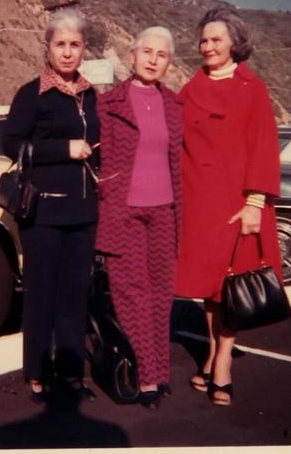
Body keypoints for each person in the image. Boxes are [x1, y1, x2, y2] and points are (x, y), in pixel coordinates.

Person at [175, 7, 282, 406]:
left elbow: (263, 145)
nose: (207, 46)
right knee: (209, 286)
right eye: (203, 40)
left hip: (241, 202)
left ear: (235, 44)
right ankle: (210, 351)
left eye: (216, 39)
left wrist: (255, 204)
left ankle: (223, 362)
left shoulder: (252, 88)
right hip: (201, 202)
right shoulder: (191, 87)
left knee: (232, 283)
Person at [2, 8, 99, 405]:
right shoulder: (31, 93)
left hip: (83, 212)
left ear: (84, 49)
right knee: (41, 293)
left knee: (76, 295)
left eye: (75, 45)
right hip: (43, 212)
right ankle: (37, 372)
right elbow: (11, 143)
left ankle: (72, 373)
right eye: (60, 44)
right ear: (47, 49)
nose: (67, 52)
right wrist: (64, 149)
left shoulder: (92, 95)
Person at [95, 26, 183, 409]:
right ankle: (146, 378)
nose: (152, 59)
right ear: (131, 56)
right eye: (146, 51)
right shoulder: (108, 103)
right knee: (131, 295)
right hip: (124, 212)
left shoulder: (175, 106)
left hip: (164, 211)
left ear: (168, 63)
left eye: (161, 55)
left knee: (162, 295)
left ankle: (159, 374)